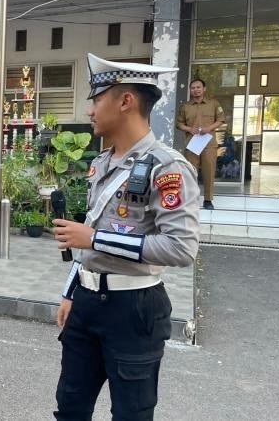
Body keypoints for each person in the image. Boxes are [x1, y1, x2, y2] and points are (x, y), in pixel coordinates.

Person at [51, 54, 200, 420]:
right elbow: (89, 232)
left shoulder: (168, 167)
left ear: (125, 101)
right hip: (87, 302)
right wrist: (72, 292)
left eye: (96, 99)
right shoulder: (102, 163)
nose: (90, 111)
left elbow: (181, 248)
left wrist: (95, 239)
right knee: (70, 406)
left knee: (131, 413)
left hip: (134, 308)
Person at [175, 79, 224, 210]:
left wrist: (209, 128)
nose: (195, 90)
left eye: (198, 87)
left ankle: (208, 200)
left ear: (204, 89)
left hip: (209, 143)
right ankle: (191, 199)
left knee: (209, 171)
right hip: (192, 143)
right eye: (193, 88)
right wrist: (189, 129)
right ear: (190, 90)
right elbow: (179, 124)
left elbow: (220, 120)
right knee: (191, 172)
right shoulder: (185, 106)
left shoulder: (213, 103)